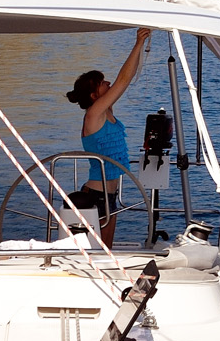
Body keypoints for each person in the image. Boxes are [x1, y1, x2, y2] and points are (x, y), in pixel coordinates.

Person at [65, 27, 154, 245]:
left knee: (107, 249)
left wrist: (141, 47)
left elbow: (125, 78)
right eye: (102, 82)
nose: (108, 83)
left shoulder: (107, 112)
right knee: (99, 250)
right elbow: (123, 80)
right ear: (94, 96)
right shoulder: (94, 115)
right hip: (96, 194)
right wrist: (138, 43)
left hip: (109, 194)